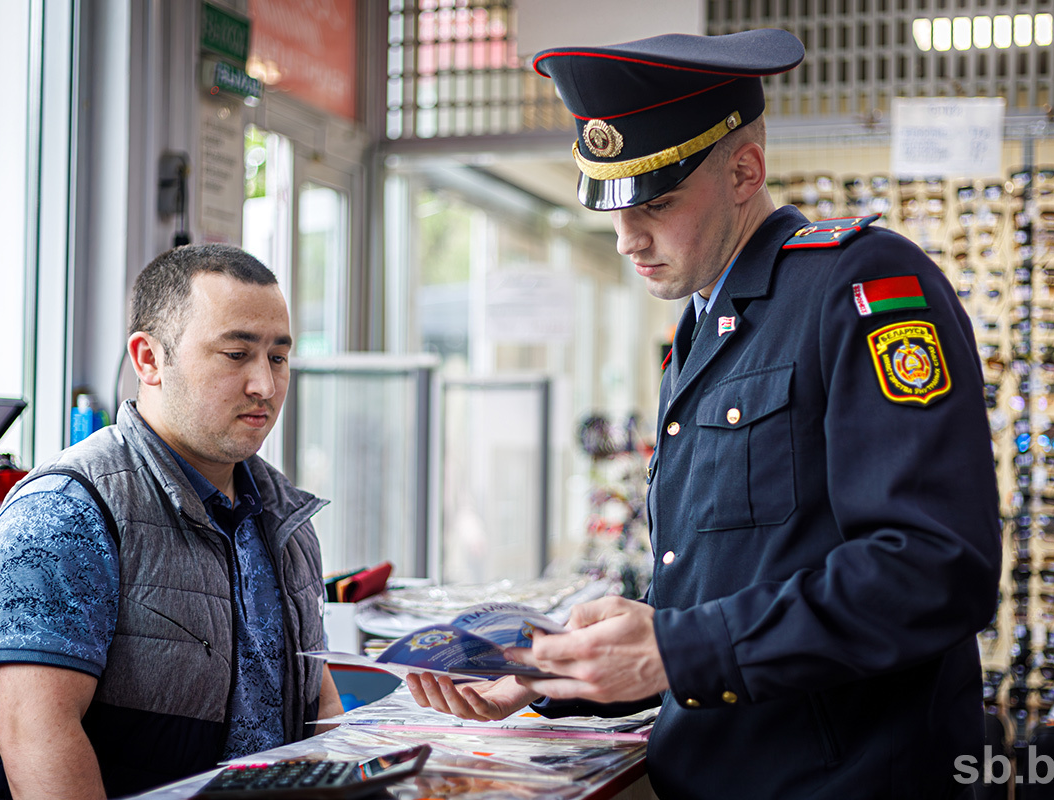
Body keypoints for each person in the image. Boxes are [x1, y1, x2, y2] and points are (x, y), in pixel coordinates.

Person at [406, 30, 1002, 799]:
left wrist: (675, 649)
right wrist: (558, 668)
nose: (626, 239)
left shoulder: (859, 284)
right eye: (613, 209)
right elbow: (723, 581)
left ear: (744, 170)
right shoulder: (698, 330)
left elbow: (935, 566)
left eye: (655, 202)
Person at [0, 244, 342, 800]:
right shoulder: (67, 512)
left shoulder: (282, 513)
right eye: (236, 354)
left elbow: (317, 699)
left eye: (278, 358)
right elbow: (38, 738)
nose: (264, 385)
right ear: (148, 360)